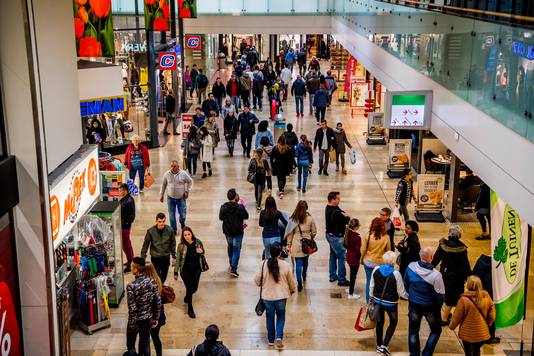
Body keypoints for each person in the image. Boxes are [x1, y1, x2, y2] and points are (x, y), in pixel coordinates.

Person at [254, 242, 296, 350]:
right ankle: (279, 336)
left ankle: (271, 340)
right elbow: (291, 281)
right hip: (281, 296)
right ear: (280, 253)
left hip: (267, 297)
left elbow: (257, 280)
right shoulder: (286, 265)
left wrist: (261, 284)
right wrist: (292, 290)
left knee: (270, 317)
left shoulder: (263, 264)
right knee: (281, 316)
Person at [404, 247, 445, 356]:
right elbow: (440, 295)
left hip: (414, 304)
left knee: (413, 331)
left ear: (420, 255)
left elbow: (406, 284)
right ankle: (426, 353)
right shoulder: (436, 275)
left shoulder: (410, 267)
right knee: (436, 330)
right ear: (431, 258)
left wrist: (412, 295)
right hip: (430, 307)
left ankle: (414, 354)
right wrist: (437, 307)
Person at [370, 251, 409, 356]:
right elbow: (401, 292)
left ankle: (379, 345)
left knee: (380, 322)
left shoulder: (376, 269)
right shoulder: (396, 274)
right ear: (394, 261)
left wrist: (371, 296)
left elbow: (372, 285)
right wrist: (409, 297)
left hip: (378, 300)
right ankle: (384, 345)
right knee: (393, 322)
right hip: (391, 303)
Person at [432, 225, 472, 325]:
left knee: (446, 295)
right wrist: (469, 275)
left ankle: (446, 314)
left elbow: (436, 259)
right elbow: (465, 264)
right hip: (457, 277)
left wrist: (430, 268)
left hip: (444, 273)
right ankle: (444, 319)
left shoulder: (443, 245)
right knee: (452, 298)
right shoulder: (462, 248)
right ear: (459, 235)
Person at [449, 276, 496, 356]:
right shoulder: (486, 297)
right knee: (477, 351)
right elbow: (492, 314)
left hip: (467, 333)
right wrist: (488, 323)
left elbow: (457, 316)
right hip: (481, 332)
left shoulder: (464, 300)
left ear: (468, 285)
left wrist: (452, 326)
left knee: (469, 352)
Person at [126, 257, 161, 356]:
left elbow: (132, 309)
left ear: (137, 269)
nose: (130, 267)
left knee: (130, 345)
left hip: (136, 320)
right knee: (145, 344)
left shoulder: (131, 286)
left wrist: (132, 326)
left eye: (132, 266)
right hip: (148, 319)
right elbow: (158, 301)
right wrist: (156, 318)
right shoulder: (152, 281)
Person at [174, 226, 205, 319]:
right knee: (190, 288)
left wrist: (201, 252)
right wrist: (176, 272)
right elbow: (178, 259)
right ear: (183, 236)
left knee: (194, 289)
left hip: (196, 269)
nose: (187, 236)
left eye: (189, 234)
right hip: (185, 270)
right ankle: (190, 308)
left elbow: (203, 252)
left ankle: (187, 297)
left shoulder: (198, 242)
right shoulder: (181, 246)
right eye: (185, 235)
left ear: (192, 234)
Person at [285, 200, 317, 292]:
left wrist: (289, 244)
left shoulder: (293, 219)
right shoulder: (310, 219)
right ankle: (304, 274)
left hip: (296, 244)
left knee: (298, 264)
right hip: (306, 244)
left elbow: (289, 233)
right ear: (306, 208)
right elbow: (314, 232)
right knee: (305, 261)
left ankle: (299, 283)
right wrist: (310, 237)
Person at [219, 188, 249, 277]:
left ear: (227, 197)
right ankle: (234, 268)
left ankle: (231, 261)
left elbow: (220, 218)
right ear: (235, 196)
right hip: (238, 231)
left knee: (230, 246)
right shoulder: (240, 207)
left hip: (228, 231)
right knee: (237, 249)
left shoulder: (223, 207)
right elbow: (246, 216)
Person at [361, 217, 392, 302]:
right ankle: (377, 300)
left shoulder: (368, 235)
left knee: (368, 281)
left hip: (368, 261)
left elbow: (363, 249)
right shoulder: (386, 237)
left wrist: (361, 259)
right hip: (380, 263)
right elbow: (388, 251)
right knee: (378, 282)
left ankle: (368, 301)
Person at [140, 213, 176, 283]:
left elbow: (173, 244)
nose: (161, 223)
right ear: (156, 221)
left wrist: (174, 256)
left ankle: (160, 287)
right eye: (159, 221)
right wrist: (142, 258)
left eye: (163, 221)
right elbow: (145, 245)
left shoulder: (170, 230)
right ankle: (159, 289)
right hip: (155, 257)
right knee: (157, 275)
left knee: (164, 276)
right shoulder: (150, 231)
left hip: (166, 257)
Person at [472, 254, 500, 344]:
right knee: (490, 314)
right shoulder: (499, 264)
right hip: (491, 294)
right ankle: (490, 336)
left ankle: (478, 332)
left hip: (480, 293)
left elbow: (474, 275)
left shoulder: (481, 260)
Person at [325, 191, 351, 286]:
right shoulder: (335, 212)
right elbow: (346, 219)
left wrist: (343, 214)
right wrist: (347, 216)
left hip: (330, 235)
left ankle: (332, 275)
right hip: (336, 237)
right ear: (332, 200)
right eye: (338, 199)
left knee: (333, 255)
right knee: (341, 257)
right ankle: (342, 279)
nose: (339, 200)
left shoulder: (329, 207)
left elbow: (341, 212)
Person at [159, 160, 193, 232]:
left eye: (174, 166)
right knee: (171, 215)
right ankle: (173, 230)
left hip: (181, 198)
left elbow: (190, 181)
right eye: (171, 166)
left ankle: (182, 223)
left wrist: (187, 191)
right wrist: (161, 195)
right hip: (170, 198)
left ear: (178, 166)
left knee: (183, 215)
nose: (172, 168)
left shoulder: (183, 174)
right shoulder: (167, 174)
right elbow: (163, 184)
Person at [145, 264, 165, 356]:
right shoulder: (157, 280)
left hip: (151, 316)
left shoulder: (148, 283)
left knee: (146, 339)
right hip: (159, 314)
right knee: (156, 337)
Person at [343, 218, 361, 299]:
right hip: (354, 258)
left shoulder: (347, 233)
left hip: (348, 255)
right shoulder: (357, 237)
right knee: (353, 275)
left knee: (351, 274)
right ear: (356, 227)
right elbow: (358, 250)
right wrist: (360, 257)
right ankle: (351, 294)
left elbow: (345, 244)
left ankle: (350, 288)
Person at [120, 183, 136, 273]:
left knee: (126, 245)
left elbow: (131, 216)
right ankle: (130, 260)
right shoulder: (127, 199)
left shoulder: (128, 201)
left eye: (121, 190)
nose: (119, 192)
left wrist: (126, 223)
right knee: (126, 245)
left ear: (125, 191)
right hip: (124, 225)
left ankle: (130, 263)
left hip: (125, 227)